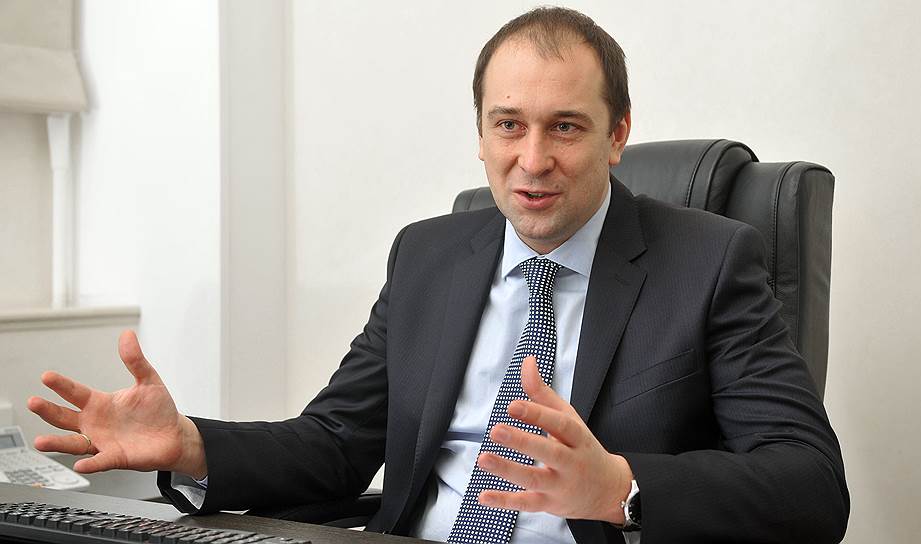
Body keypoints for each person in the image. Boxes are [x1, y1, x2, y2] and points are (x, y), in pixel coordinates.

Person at [27, 6, 849, 544]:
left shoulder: (710, 261)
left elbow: (812, 485)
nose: (533, 160)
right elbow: (336, 444)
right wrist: (194, 445)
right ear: (481, 134)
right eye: (509, 125)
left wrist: (620, 487)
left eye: (565, 127)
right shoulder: (427, 256)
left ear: (617, 133)